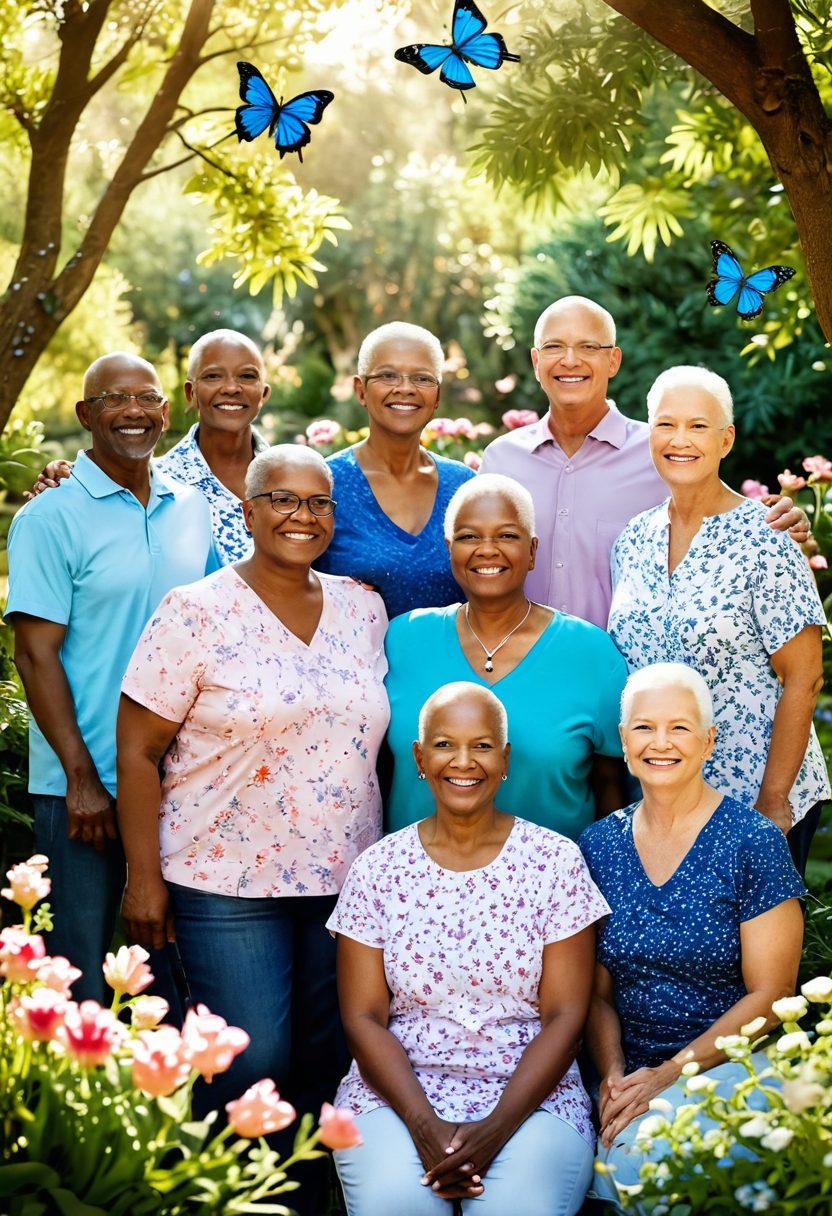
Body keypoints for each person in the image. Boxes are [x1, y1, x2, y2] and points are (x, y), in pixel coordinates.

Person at [116, 444, 390, 1215]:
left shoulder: (362, 609)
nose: (302, 516)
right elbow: (136, 751)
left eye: (318, 503)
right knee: (249, 1061)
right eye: (283, 499)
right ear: (248, 509)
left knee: (327, 1054)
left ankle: (304, 1203)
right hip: (222, 879)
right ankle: (226, 1203)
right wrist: (143, 880)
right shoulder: (195, 611)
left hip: (345, 883)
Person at [329, 682, 610, 1216]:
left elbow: (566, 1015)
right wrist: (424, 1126)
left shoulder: (555, 863)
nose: (464, 762)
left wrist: (494, 1131)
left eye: (482, 745)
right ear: (418, 757)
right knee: (398, 1206)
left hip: (533, 1096)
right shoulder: (377, 870)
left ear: (505, 759)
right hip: (398, 1095)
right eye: (444, 745)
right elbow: (363, 1017)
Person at [5, 352, 219, 1003]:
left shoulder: (192, 508)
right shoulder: (48, 517)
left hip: (179, 784)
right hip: (83, 792)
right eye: (114, 398)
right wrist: (78, 778)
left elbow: (216, 623)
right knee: (79, 990)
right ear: (85, 414)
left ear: (166, 411)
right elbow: (34, 655)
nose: (133, 411)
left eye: (146, 398)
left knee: (175, 987)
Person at [579, 663, 805, 1211]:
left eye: (679, 728)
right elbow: (596, 992)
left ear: (708, 741)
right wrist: (612, 1078)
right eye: (643, 728)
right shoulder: (598, 846)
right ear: (624, 743)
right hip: (626, 1073)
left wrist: (668, 1075)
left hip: (727, 1068)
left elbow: (771, 995)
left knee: (639, 1166)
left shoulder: (753, 842)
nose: (660, 743)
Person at [607, 365, 828, 875]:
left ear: (726, 438)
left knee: (758, 953)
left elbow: (805, 676)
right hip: (665, 797)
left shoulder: (767, 537)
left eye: (698, 426)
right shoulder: (631, 541)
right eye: (666, 425)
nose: (679, 440)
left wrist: (772, 803)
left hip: (755, 793)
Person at [478, 295, 808, 628]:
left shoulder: (663, 454)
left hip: (630, 675)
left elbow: (728, 527)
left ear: (613, 361)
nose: (570, 360)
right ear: (536, 361)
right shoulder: (501, 460)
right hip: (519, 670)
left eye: (589, 347)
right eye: (553, 347)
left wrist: (782, 524)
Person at [385, 474, 628, 838]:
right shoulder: (402, 639)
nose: (487, 549)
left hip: (552, 886)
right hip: (414, 885)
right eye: (469, 537)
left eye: (507, 536)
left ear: (532, 552)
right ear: (449, 549)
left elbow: (614, 787)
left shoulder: (590, 652)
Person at [31, 328, 271, 563]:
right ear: (191, 392)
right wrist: (70, 476)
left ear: (264, 393)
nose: (231, 388)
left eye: (247, 376)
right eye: (212, 376)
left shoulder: (293, 476)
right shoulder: (158, 484)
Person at [315, 321, 474, 618]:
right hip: (353, 664)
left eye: (422, 378)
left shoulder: (465, 487)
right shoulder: (324, 485)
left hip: (452, 663)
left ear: (438, 396)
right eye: (388, 376)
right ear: (360, 390)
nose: (405, 388)